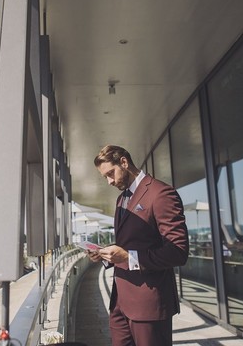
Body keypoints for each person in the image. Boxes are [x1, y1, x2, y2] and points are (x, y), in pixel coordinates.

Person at [89, 145, 189, 346]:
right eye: (104, 177)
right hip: (120, 303)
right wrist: (106, 255)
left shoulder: (161, 193)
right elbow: (129, 244)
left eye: (110, 173)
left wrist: (128, 258)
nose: (109, 181)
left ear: (124, 162)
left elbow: (178, 252)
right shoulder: (121, 199)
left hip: (148, 305)